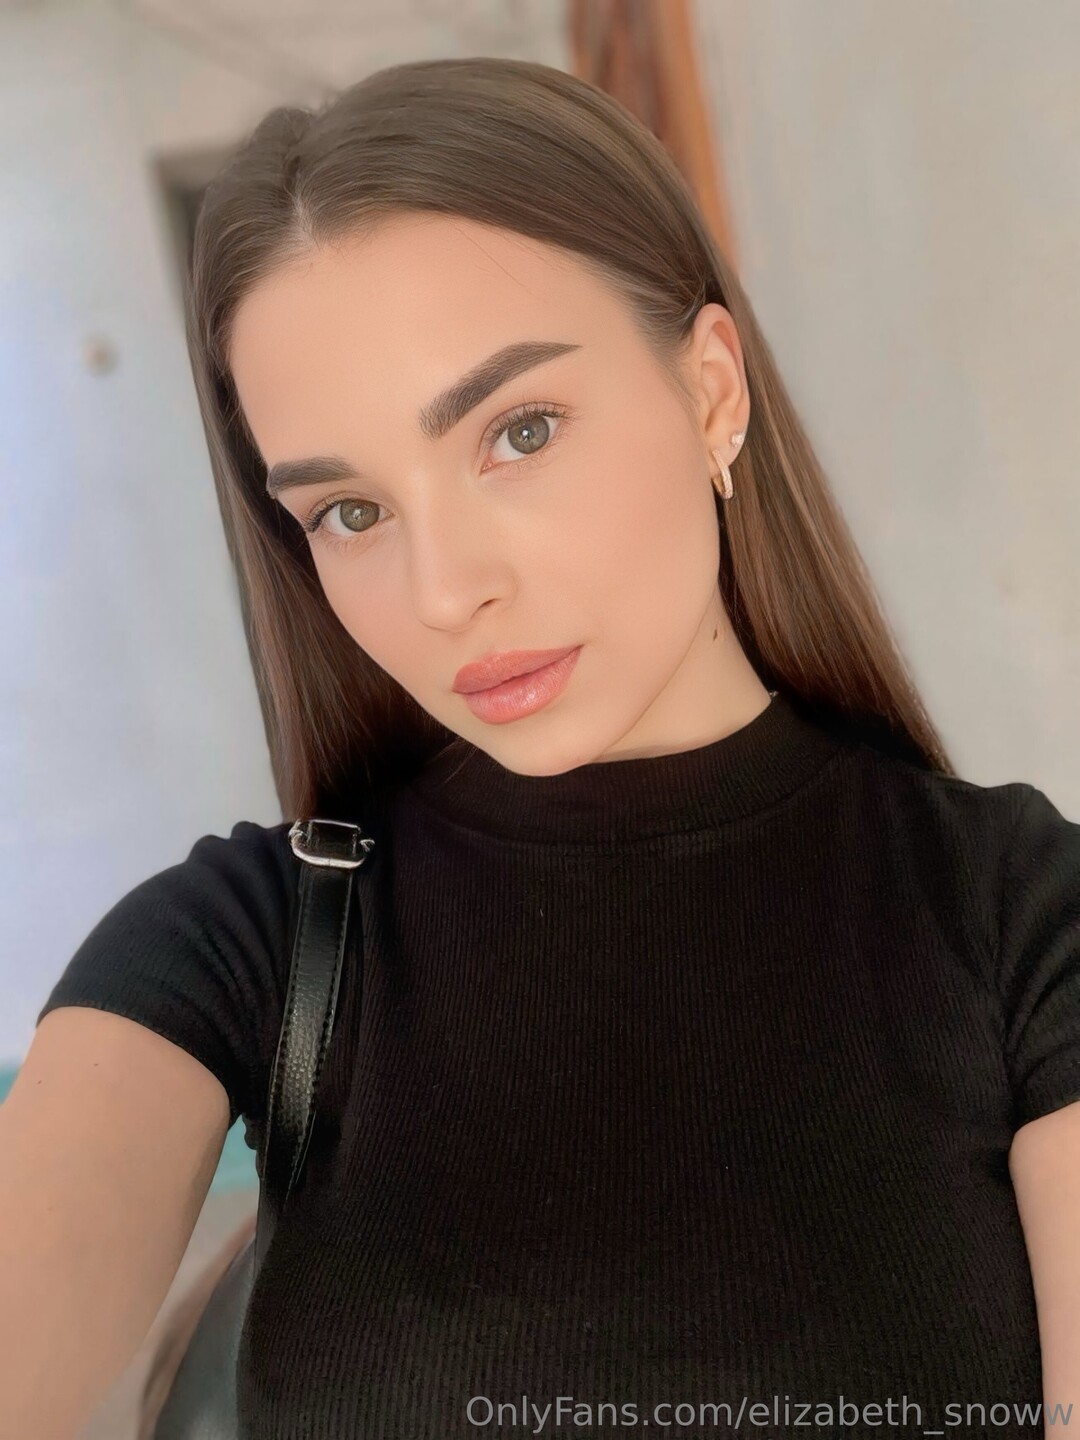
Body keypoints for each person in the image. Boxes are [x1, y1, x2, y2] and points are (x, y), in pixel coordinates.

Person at [3, 54, 1078, 1440]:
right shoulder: (245, 945)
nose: (446, 590)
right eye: (348, 512)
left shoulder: (1017, 919)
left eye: (519, 431)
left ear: (710, 392)